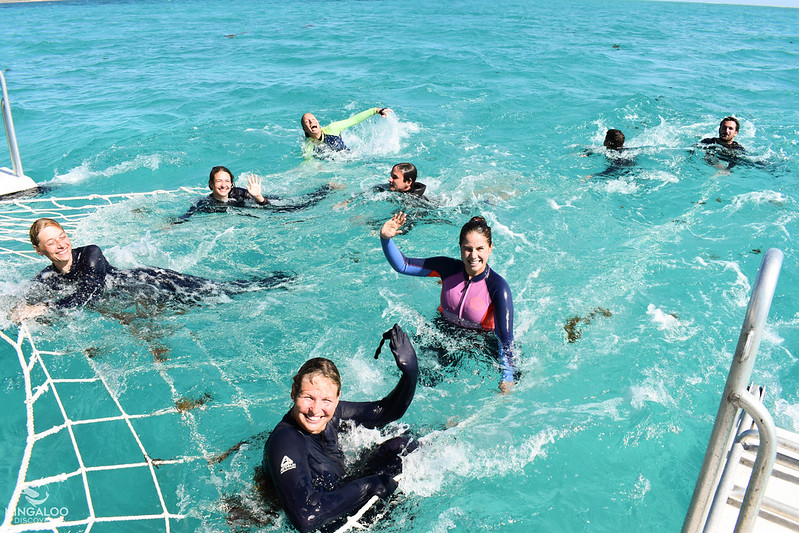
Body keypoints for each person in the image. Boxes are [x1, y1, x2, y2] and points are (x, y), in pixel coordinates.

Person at [262, 325, 418, 533]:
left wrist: (410, 375)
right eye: (308, 397)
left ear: (336, 399)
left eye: (326, 400)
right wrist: (370, 486)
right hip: (324, 522)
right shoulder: (285, 440)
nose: (315, 410)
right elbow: (305, 517)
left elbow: (386, 413)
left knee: (403, 445)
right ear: (293, 393)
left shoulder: (333, 412)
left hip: (336, 491)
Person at [14, 218, 292, 320]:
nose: (61, 244)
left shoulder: (90, 254)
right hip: (139, 302)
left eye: (62, 236)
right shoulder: (47, 278)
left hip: (153, 282)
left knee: (219, 293)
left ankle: (275, 282)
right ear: (40, 251)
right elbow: (23, 299)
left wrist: (46, 308)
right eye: (51, 243)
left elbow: (91, 291)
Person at [380, 213, 516, 392]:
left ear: (490, 248)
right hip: (442, 332)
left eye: (480, 248)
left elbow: (504, 339)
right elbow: (403, 265)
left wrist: (507, 377)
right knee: (416, 379)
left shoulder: (498, 288)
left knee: (517, 373)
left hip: (478, 343)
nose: (473, 255)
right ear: (460, 248)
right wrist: (385, 239)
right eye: (468, 249)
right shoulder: (447, 268)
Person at [175, 166, 331, 222]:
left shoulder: (240, 194)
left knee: (296, 207)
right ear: (210, 184)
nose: (224, 185)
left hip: (262, 202)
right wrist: (172, 223)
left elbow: (265, 206)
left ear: (232, 183)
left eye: (227, 181)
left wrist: (258, 197)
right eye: (219, 181)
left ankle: (327, 189)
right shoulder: (205, 203)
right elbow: (187, 216)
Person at [301, 107, 392, 157]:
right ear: (305, 129)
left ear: (318, 123)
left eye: (313, 119)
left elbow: (354, 120)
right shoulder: (309, 146)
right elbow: (309, 164)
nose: (311, 122)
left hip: (351, 157)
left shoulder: (332, 128)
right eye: (307, 122)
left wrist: (375, 111)